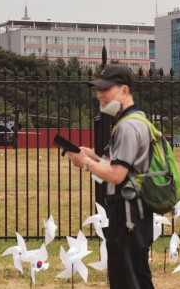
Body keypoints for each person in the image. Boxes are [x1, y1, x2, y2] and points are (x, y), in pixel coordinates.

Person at [66, 64, 154, 289]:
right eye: (98, 89)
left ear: (124, 90)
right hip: (136, 211)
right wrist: (95, 158)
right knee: (138, 276)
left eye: (106, 89)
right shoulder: (138, 120)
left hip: (127, 213)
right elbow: (126, 170)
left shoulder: (127, 126)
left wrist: (85, 163)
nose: (100, 95)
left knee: (125, 279)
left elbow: (117, 174)